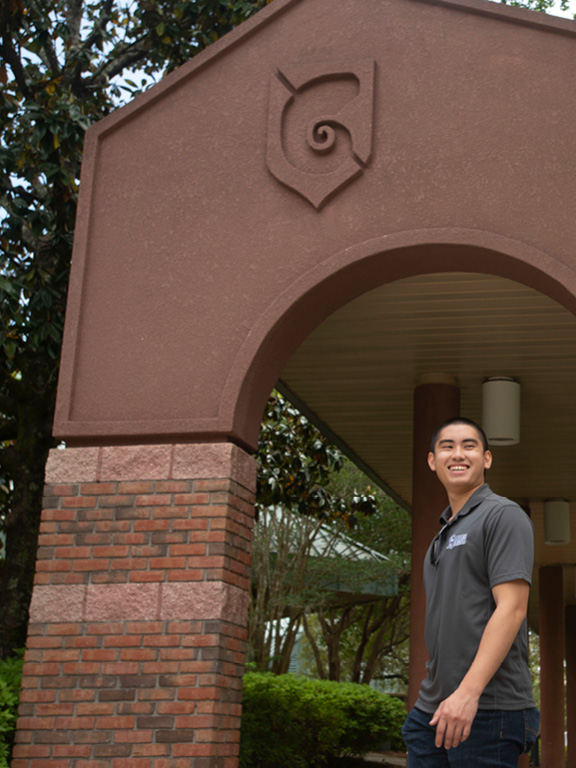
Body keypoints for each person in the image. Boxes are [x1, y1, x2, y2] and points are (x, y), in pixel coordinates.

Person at [401, 417, 540, 767]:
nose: (457, 454)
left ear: (487, 459)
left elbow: (512, 609)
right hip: (433, 710)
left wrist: (467, 693)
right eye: (447, 446)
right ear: (432, 461)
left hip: (487, 708)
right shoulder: (440, 537)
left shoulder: (503, 516)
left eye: (469, 446)